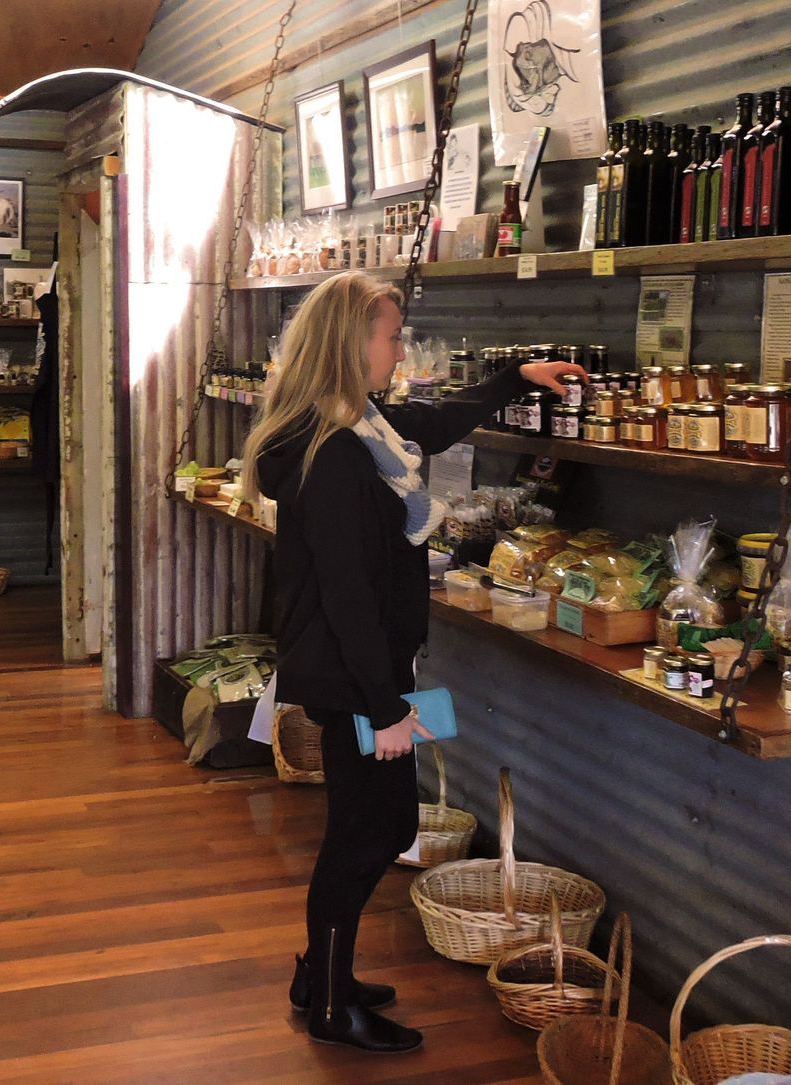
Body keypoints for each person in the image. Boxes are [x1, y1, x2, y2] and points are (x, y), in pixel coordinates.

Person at [243, 271, 585, 1053]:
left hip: (360, 669)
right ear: (351, 342)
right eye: (392, 336)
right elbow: (347, 596)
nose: (400, 351)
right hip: (354, 671)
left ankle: (319, 973)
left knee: (370, 822)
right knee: (371, 829)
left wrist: (513, 379)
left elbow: (431, 423)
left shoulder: (359, 426)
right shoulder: (333, 454)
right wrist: (386, 703)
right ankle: (329, 1001)